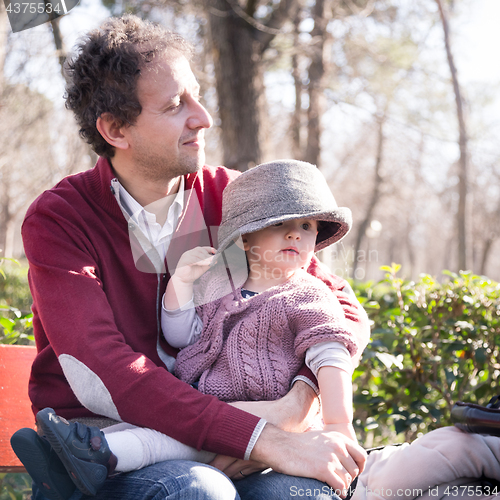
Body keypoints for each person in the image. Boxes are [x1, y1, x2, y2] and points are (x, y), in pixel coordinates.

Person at [10, 13, 370, 500]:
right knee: (199, 491)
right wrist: (255, 435)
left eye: (197, 95)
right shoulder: (61, 219)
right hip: (107, 441)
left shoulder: (233, 196)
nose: (203, 117)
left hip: (243, 418)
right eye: (177, 105)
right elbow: (104, 373)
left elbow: (339, 306)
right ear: (116, 129)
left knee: (301, 495)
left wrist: (293, 405)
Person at [26, 160, 362, 499]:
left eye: (306, 226)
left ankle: (87, 457)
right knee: (162, 444)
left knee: (164, 445)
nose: (295, 234)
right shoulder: (221, 284)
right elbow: (182, 336)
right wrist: (182, 283)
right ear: (244, 239)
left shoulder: (307, 292)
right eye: (280, 225)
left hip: (257, 416)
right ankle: (81, 454)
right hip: (196, 409)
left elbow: (334, 346)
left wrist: (333, 422)